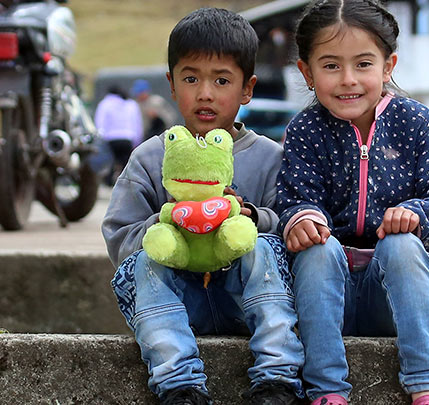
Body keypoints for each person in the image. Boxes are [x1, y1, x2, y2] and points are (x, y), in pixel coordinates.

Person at [102, 8, 305, 405]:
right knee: (143, 263)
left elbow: (291, 227)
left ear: (247, 90)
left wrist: (249, 217)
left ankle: (277, 377)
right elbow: (119, 234)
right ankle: (179, 384)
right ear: (172, 86)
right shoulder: (149, 157)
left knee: (264, 247)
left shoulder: (270, 158)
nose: (205, 93)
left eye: (222, 80)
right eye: (191, 78)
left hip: (247, 303)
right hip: (178, 305)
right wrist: (170, 227)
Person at [276, 0, 429, 404]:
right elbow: (293, 200)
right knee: (315, 250)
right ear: (306, 73)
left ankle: (425, 385)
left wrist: (416, 214)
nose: (348, 80)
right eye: (330, 66)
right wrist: (301, 220)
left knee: (400, 244)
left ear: (388, 66)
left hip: (392, 294)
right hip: (330, 294)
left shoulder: (417, 122)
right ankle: (327, 390)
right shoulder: (304, 130)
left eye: (363, 64)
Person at [94, 85, 143, 185]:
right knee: (126, 163)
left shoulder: (105, 103)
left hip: (110, 138)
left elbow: (99, 122)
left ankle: (109, 183)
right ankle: (127, 183)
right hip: (128, 137)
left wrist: (100, 136)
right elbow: (137, 123)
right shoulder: (131, 104)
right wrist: (137, 141)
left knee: (111, 162)